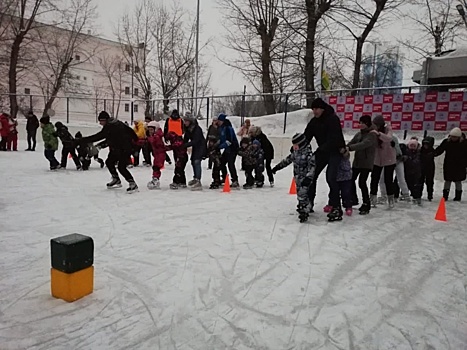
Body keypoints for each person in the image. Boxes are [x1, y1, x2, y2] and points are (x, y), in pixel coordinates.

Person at [77, 111, 139, 193]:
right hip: (117, 148)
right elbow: (129, 131)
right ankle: (116, 179)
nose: (100, 123)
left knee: (121, 167)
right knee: (109, 162)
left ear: (105, 120)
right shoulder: (116, 123)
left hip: (124, 149)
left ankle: (132, 184)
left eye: (101, 121)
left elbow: (99, 136)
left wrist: (83, 140)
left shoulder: (111, 126)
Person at [304, 97, 346, 213]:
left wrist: (320, 149)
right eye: (313, 109)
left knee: (331, 178)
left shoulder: (332, 119)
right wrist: (297, 146)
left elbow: (335, 138)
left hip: (335, 151)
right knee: (311, 175)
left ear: (322, 109)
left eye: (317, 109)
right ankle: (309, 202)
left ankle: (336, 206)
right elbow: (306, 136)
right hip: (323, 151)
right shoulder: (314, 122)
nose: (315, 111)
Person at [272, 133, 316, 223]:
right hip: (297, 178)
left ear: (302, 144)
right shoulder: (295, 153)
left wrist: (308, 178)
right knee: (300, 194)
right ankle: (304, 206)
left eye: (296, 145)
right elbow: (287, 161)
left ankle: (305, 210)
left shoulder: (309, 154)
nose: (294, 147)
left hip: (306, 179)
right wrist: (277, 168)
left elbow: (312, 167)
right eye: (294, 145)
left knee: (302, 194)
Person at [346, 115, 377, 215]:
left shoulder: (372, 134)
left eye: (363, 123)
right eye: (360, 123)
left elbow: (364, 144)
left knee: (362, 182)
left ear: (367, 123)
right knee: (350, 179)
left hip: (366, 162)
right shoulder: (359, 134)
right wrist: (344, 147)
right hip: (357, 161)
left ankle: (366, 203)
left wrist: (350, 148)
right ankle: (353, 199)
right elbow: (352, 142)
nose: (361, 125)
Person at [369, 115, 397, 208]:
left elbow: (388, 138)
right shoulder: (372, 131)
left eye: (376, 124)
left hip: (389, 159)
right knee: (374, 179)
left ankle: (391, 200)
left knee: (388, 180)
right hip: (377, 159)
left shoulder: (388, 130)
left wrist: (378, 134)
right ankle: (372, 198)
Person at [435, 127, 467, 201]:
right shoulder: (446, 142)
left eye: (455, 137)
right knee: (447, 180)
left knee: (458, 181)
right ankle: (445, 196)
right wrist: (432, 154)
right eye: (452, 136)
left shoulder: (464, 143)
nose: (453, 138)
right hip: (449, 164)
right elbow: (440, 150)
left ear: (459, 137)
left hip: (460, 165)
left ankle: (458, 196)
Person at [183, 115, 206, 190]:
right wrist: (182, 144)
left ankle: (198, 180)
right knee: (193, 161)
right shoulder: (188, 128)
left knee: (197, 162)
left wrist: (186, 145)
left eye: (186, 121)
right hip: (195, 147)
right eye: (184, 121)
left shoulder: (196, 129)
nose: (185, 122)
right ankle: (195, 177)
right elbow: (186, 138)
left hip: (200, 146)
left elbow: (196, 140)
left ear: (190, 121)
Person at [329, 151, 353, 221]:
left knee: (346, 193)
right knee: (333, 192)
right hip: (336, 178)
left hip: (345, 178)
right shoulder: (333, 158)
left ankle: (348, 205)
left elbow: (346, 168)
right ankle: (331, 204)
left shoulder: (344, 160)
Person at [218, 113, 240, 188]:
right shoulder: (221, 128)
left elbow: (229, 141)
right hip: (227, 148)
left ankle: (235, 180)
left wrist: (220, 146)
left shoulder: (228, 128)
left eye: (220, 120)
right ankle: (224, 178)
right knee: (221, 162)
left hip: (233, 148)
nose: (218, 122)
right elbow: (222, 139)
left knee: (231, 164)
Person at [146, 121, 166, 190]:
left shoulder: (157, 136)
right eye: (149, 130)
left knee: (156, 167)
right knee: (155, 167)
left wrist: (148, 139)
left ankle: (155, 179)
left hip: (160, 154)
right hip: (157, 154)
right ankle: (155, 178)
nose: (150, 131)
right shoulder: (155, 136)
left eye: (151, 130)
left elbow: (156, 142)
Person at [404, 139, 423, 205]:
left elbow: (417, 162)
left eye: (414, 146)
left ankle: (416, 197)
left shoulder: (419, 153)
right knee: (407, 183)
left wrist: (409, 160)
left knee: (415, 185)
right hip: (407, 171)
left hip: (416, 172)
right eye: (411, 145)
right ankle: (405, 194)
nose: (412, 147)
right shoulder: (406, 152)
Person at [420, 136, 435, 201]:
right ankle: (418, 194)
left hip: (430, 168)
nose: (425, 146)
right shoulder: (420, 150)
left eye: (427, 144)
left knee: (430, 182)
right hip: (421, 167)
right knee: (420, 181)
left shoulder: (432, 151)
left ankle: (430, 195)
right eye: (424, 144)